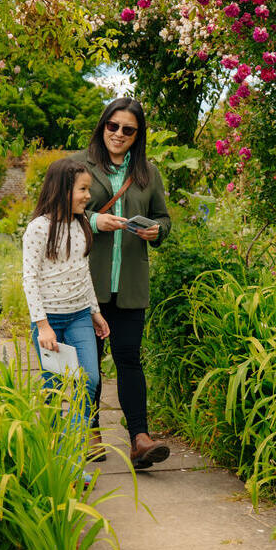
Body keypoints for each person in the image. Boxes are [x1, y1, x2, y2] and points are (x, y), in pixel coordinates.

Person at [73, 98, 172, 469]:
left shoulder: (147, 173)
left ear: (137, 135)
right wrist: (96, 222)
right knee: (89, 364)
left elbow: (164, 217)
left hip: (129, 283)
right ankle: (89, 432)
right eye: (113, 126)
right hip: (86, 284)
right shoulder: (79, 166)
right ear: (103, 127)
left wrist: (156, 229)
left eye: (128, 130)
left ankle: (139, 439)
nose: (118, 134)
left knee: (129, 359)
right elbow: (59, 212)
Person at [22, 156, 110, 453]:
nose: (88, 196)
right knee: (54, 389)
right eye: (83, 189)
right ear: (62, 189)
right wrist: (42, 326)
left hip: (80, 317)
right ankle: (56, 454)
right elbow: (30, 279)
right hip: (51, 323)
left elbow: (82, 272)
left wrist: (95, 312)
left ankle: (74, 444)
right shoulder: (38, 229)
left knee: (90, 380)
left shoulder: (81, 223)